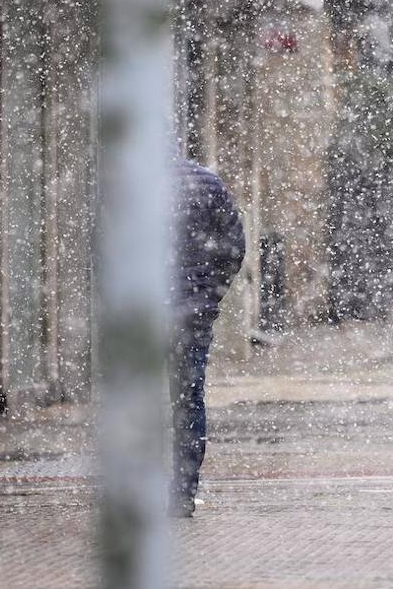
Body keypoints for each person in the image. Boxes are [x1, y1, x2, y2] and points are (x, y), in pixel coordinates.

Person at [171, 155, 246, 518]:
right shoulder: (207, 183)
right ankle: (182, 491)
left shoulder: (127, 186)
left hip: (142, 315)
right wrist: (208, 296)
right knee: (187, 399)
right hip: (192, 315)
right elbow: (234, 247)